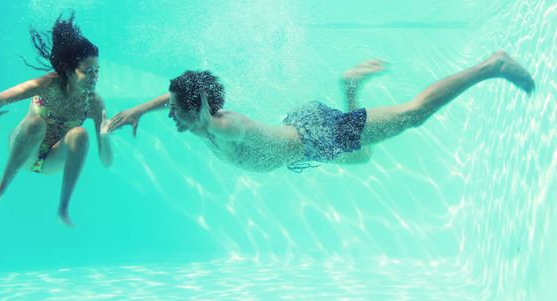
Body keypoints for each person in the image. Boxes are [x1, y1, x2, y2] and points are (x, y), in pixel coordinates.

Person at [106, 51, 534, 173]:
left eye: (178, 110)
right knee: (361, 160)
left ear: (197, 108)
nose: (172, 116)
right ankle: (349, 85)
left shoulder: (223, 124)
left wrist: (202, 118)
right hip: (304, 138)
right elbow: (174, 97)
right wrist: (142, 109)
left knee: (415, 113)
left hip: (318, 135)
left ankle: (491, 66)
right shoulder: (200, 121)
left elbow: (222, 125)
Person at [0, 12, 112, 226]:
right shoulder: (48, 85)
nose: (95, 78)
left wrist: (105, 138)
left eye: (97, 71)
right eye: (88, 71)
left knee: (80, 134)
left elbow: (106, 161)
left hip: (53, 161)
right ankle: (0, 188)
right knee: (35, 124)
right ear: (69, 70)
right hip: (24, 151)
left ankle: (63, 207)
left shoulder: (94, 103)